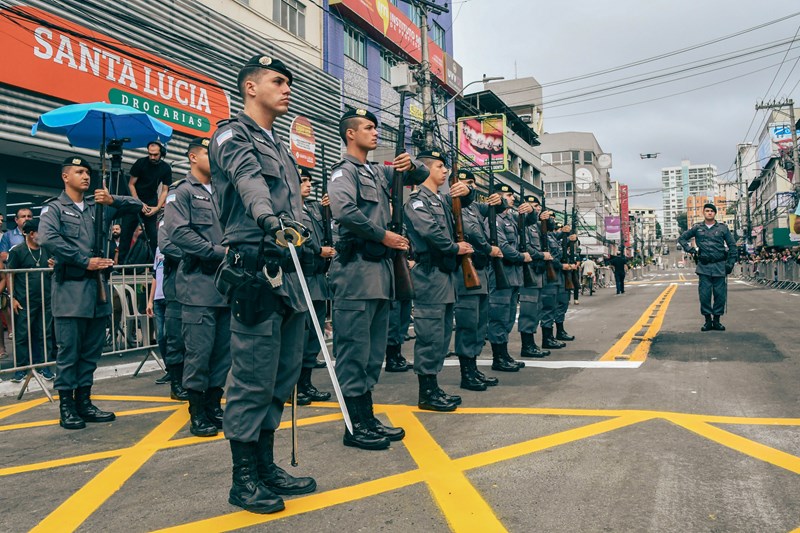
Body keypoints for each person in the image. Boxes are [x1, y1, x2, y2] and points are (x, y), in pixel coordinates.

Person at [210, 55, 317, 514]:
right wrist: (268, 220)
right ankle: (244, 479)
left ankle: (267, 465)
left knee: (282, 375)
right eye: (277, 81)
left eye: (289, 82)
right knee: (251, 379)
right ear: (250, 87)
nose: (286, 88)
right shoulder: (232, 136)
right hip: (254, 269)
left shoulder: (281, 149)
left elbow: (298, 206)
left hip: (288, 273)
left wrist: (307, 235)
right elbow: (249, 183)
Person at [328, 107, 428, 449]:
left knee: (372, 353)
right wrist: (382, 235)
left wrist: (410, 164)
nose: (375, 133)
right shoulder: (345, 173)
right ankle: (354, 425)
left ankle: (366, 418)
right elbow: (343, 210)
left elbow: (419, 175)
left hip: (380, 275)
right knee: (354, 351)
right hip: (355, 273)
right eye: (368, 128)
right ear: (350, 134)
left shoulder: (375, 173)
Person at [39, 156, 142, 430]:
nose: (86, 176)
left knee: (90, 353)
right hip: (70, 291)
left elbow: (138, 206)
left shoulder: (99, 208)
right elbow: (48, 239)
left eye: (87, 172)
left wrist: (113, 200)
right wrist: (85, 261)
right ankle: (67, 407)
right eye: (79, 172)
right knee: (69, 352)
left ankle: (84, 402)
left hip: (98, 293)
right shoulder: (55, 209)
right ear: (65, 176)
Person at [165, 137, 230, 437]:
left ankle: (214, 405)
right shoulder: (182, 192)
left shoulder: (224, 191)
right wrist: (217, 252)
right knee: (199, 352)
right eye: (207, 152)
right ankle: (197, 411)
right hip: (198, 285)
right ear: (193, 157)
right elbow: (178, 233)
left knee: (222, 353)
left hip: (226, 287)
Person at [404, 149, 473, 410]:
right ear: (426, 169)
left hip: (445, 276)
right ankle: (427, 392)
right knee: (430, 335)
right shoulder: (417, 201)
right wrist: (457, 249)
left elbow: (465, 205)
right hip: (429, 275)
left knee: (443, 335)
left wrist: (469, 192)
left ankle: (434, 387)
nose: (445, 172)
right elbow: (430, 232)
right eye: (440, 167)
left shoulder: (441, 200)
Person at [453, 170, 502, 388]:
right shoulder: (455, 205)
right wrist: (488, 248)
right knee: (468, 324)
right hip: (466, 271)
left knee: (480, 323)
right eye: (464, 182)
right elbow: (472, 232)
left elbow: (496, 210)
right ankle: (467, 373)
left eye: (471, 183)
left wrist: (498, 201)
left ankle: (473, 368)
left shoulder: (472, 206)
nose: (468, 186)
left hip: (479, 270)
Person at [296, 166, 333, 404]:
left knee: (314, 336)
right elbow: (298, 239)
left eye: (310, 181)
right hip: (300, 279)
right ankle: (294, 387)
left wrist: (327, 209)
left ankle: (306, 383)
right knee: (299, 335)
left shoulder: (312, 208)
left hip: (318, 280)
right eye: (303, 181)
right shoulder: (288, 208)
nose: (308, 185)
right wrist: (317, 250)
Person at [4, 219, 56, 382]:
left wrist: (53, 266)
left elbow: (53, 270)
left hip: (45, 298)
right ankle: (21, 369)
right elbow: (9, 275)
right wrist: (12, 298)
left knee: (44, 333)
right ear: (32, 234)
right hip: (24, 300)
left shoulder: (46, 249)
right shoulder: (18, 251)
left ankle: (44, 366)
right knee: (22, 334)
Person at [488, 185, 531, 371]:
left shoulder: (510, 217)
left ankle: (504, 354)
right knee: (498, 316)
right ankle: (498, 358)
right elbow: (503, 246)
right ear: (498, 198)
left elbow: (527, 223)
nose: (512, 198)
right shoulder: (494, 218)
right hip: (500, 274)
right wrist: (521, 257)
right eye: (509, 195)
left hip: (512, 276)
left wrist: (531, 213)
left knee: (508, 317)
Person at [678, 203, 737, 331]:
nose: (709, 213)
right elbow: (682, 238)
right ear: (703, 213)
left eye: (712, 211)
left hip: (719, 265)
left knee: (719, 295)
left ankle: (716, 320)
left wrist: (730, 263)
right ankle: (707, 321)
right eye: (707, 211)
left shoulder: (723, 228)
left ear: (715, 213)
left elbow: (732, 246)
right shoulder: (697, 228)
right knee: (704, 295)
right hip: (704, 266)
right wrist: (691, 250)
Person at [118, 141, 172, 263]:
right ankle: (121, 266)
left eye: (155, 154)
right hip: (134, 201)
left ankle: (155, 265)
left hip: (152, 202)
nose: (152, 157)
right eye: (150, 154)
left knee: (153, 235)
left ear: (161, 153)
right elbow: (131, 184)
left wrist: (157, 207)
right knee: (126, 233)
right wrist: (138, 203)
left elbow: (165, 190)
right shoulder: (140, 163)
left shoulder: (165, 168)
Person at [517, 195, 552, 358]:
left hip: (537, 271)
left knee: (536, 309)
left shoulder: (536, 225)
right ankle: (527, 345)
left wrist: (547, 219)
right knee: (528, 310)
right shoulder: (522, 223)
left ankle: (531, 343)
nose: (536, 208)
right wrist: (541, 255)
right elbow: (524, 247)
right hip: (528, 272)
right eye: (532, 206)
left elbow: (551, 228)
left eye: (538, 206)